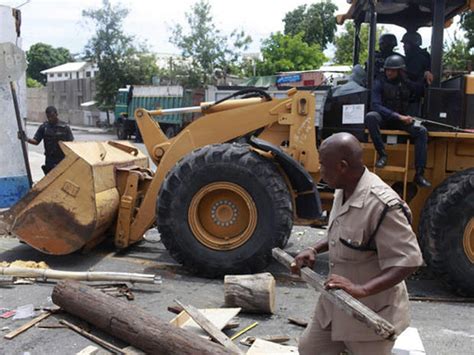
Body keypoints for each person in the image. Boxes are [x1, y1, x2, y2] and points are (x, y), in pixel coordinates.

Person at [293, 132, 423, 355]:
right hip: (335, 305)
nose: (320, 171)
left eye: (324, 165)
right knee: (310, 350)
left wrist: (361, 289)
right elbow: (344, 233)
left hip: (370, 313)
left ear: (342, 166)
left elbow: (409, 261)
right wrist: (313, 248)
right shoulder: (342, 191)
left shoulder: (383, 205)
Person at [365, 55, 431, 187]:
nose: (389, 72)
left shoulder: (405, 82)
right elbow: (375, 105)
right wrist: (397, 116)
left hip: (401, 119)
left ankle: (419, 174)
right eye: (387, 69)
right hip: (385, 118)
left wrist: (426, 75)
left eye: (392, 70)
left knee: (422, 131)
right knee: (371, 117)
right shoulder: (379, 82)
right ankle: (382, 155)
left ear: (400, 71)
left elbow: (420, 90)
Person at [24, 106, 74, 174]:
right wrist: (26, 139)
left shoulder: (65, 127)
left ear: (56, 114)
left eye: (52, 116)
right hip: (50, 160)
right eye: (48, 117)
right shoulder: (44, 127)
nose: (50, 119)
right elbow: (36, 141)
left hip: (62, 160)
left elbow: (71, 145)